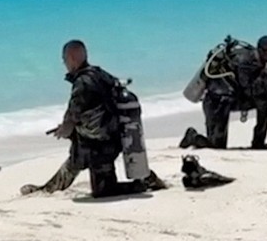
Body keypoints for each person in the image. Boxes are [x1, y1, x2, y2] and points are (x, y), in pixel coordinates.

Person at [20, 40, 168, 198]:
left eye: (64, 60)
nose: (64, 64)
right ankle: (49, 188)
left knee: (103, 190)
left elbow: (72, 117)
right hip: (116, 136)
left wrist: (63, 130)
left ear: (71, 58)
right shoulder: (99, 73)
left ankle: (143, 183)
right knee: (78, 155)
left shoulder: (82, 83)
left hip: (100, 145)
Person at [180, 35, 267, 150]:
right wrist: (265, 73)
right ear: (262, 51)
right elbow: (248, 88)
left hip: (234, 98)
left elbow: (259, 88)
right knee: (216, 146)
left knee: (264, 99)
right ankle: (192, 136)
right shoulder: (243, 60)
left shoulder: (262, 61)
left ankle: (259, 142)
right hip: (217, 101)